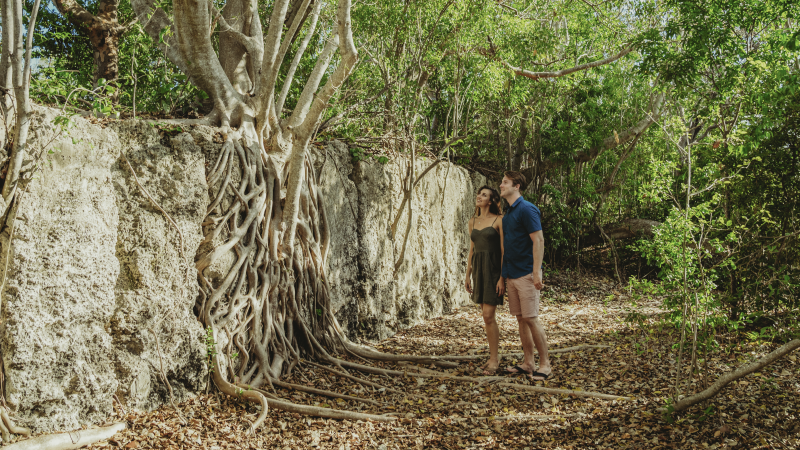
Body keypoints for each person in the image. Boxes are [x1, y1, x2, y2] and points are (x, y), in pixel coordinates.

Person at [498, 171, 551, 381]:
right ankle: (528, 363)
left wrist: (536, 271)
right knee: (521, 319)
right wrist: (504, 275)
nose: (501, 185)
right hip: (512, 273)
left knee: (531, 318)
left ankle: (545, 364)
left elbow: (538, 240)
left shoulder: (527, 209)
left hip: (527, 273)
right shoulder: (509, 213)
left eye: (505, 182)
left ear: (517, 186)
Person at [465, 186, 504, 375]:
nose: (479, 196)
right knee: (486, 316)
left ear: (490, 201)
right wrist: (467, 275)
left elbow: (504, 250)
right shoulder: (472, 221)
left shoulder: (499, 220)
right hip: (478, 271)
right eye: (479, 193)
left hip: (493, 271)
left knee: (488, 315)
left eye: (484, 195)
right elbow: (471, 250)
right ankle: (492, 356)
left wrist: (502, 277)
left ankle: (494, 359)